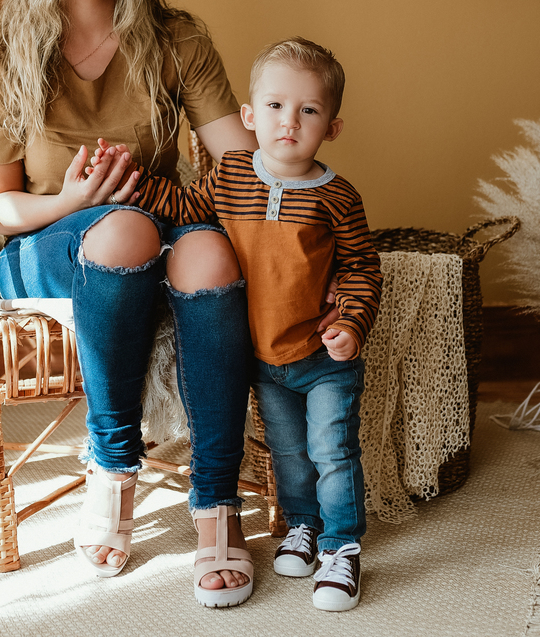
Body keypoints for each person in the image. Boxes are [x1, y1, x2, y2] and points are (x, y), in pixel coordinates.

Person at [0, 0, 263, 608]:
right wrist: (71, 200)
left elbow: (240, 165)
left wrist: (284, 188)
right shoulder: (4, 51)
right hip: (42, 243)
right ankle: (114, 465)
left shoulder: (176, 38)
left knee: (209, 255)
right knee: (124, 230)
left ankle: (217, 502)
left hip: (155, 228)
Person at [99, 37, 383, 611]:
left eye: (308, 110)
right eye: (276, 106)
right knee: (289, 455)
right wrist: (130, 179)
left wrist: (352, 324)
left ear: (332, 127)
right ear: (250, 116)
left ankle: (342, 549)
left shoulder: (337, 198)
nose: (289, 122)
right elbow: (183, 208)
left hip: (322, 357)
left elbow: (360, 267)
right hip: (264, 360)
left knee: (332, 451)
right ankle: (302, 527)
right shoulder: (232, 174)